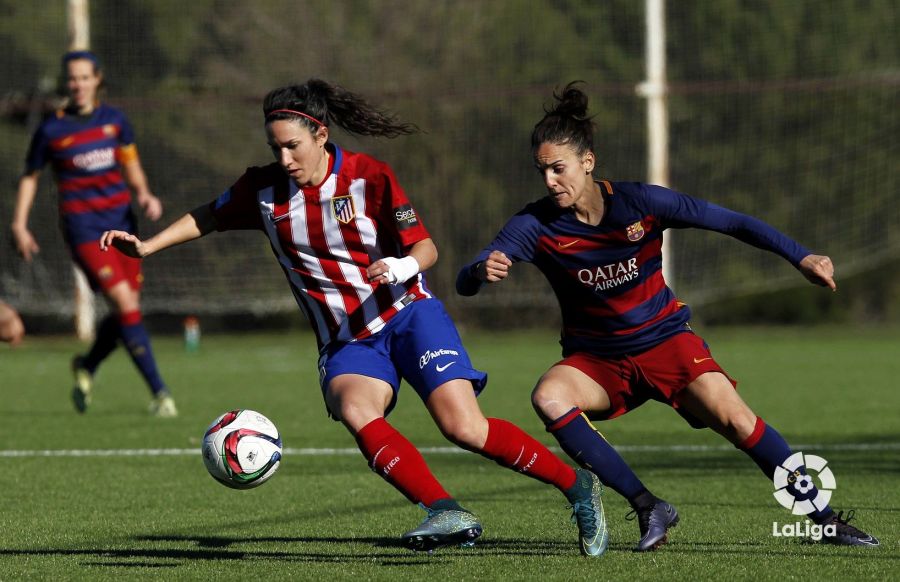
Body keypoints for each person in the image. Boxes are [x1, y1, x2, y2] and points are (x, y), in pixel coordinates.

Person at [99, 79, 608, 555]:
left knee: (464, 428)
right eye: (275, 147)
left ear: (320, 134)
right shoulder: (263, 191)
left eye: (293, 145)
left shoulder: (370, 176)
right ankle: (445, 511)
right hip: (347, 340)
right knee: (354, 408)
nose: (284, 157)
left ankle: (576, 484)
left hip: (408, 314)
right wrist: (148, 246)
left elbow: (426, 248)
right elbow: (208, 215)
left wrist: (402, 266)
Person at [456, 82, 879, 550]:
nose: (550, 181)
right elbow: (464, 280)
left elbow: (732, 221)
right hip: (599, 360)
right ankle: (647, 505)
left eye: (559, 169)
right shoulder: (533, 225)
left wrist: (802, 257)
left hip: (666, 344)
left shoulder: (640, 202)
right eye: (543, 172)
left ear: (588, 162)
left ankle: (825, 519)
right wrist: (480, 270)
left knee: (737, 421)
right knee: (549, 396)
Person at [11, 50, 175, 417]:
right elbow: (30, 177)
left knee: (124, 313)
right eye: (72, 78)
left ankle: (86, 365)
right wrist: (19, 224)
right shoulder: (52, 129)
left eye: (85, 77)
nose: (78, 84)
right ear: (65, 83)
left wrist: (144, 194)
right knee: (125, 304)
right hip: (83, 229)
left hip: (124, 227)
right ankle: (161, 393)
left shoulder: (115, 121)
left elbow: (131, 164)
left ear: (97, 79)